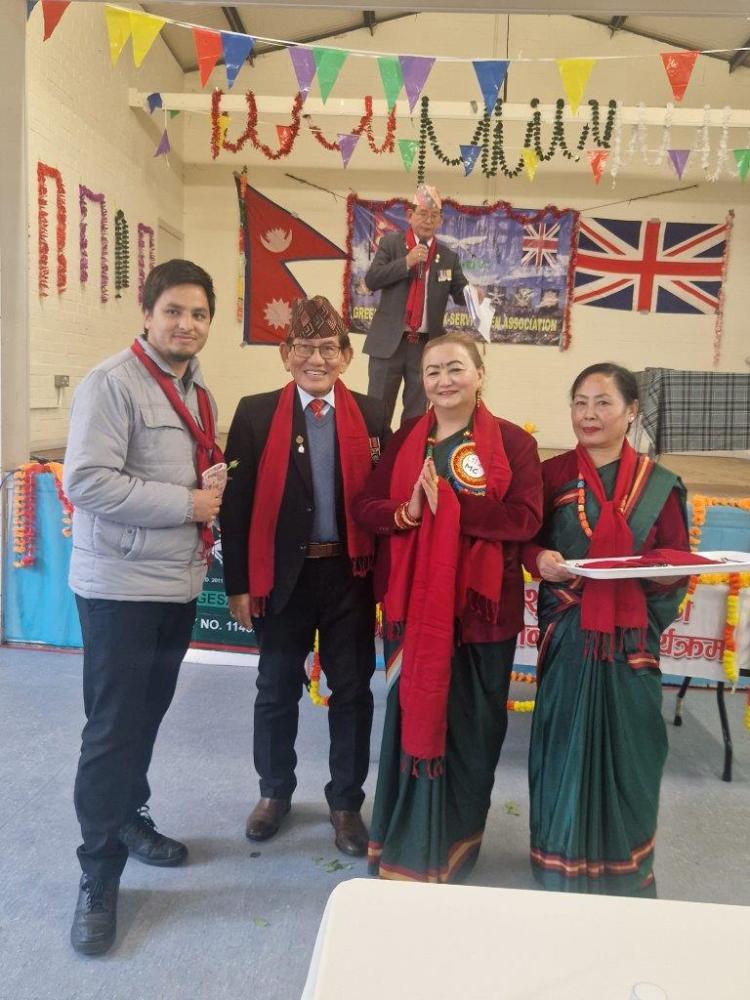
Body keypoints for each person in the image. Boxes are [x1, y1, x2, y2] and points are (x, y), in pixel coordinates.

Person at [63, 259, 224, 955]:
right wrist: (189, 503)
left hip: (174, 585)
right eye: (174, 311)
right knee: (111, 730)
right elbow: (86, 481)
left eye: (199, 314)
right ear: (147, 313)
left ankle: (128, 817)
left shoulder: (199, 390)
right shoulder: (112, 383)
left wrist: (206, 491)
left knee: (145, 718)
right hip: (119, 588)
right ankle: (98, 873)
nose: (186, 324)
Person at [352, 331, 543, 883]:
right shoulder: (406, 439)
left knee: (473, 733)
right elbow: (366, 505)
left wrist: (455, 507)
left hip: (483, 616)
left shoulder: (514, 444)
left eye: (455, 368)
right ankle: (404, 842)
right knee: (411, 720)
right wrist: (409, 511)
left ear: (480, 374)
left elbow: (525, 519)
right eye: (432, 371)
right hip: (414, 610)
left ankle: (456, 847)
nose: (443, 380)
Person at [220, 295, 390, 858]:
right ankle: (274, 792)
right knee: (275, 689)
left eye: (328, 349)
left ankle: (345, 803)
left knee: (353, 692)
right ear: (285, 354)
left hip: (348, 574)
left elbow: (383, 500)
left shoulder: (371, 414)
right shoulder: (255, 413)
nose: (316, 359)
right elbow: (236, 508)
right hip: (280, 578)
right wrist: (239, 584)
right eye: (305, 348)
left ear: (346, 357)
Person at [522, 363, 690, 897]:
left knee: (632, 753)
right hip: (569, 634)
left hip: (630, 642)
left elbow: (679, 562)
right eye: (580, 403)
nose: (588, 414)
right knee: (561, 745)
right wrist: (538, 559)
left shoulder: (660, 485)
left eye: (602, 403)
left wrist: (644, 588)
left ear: (631, 411)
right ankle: (558, 861)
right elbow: (526, 540)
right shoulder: (551, 474)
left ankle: (624, 866)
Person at [363, 184, 469, 427]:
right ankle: (375, 451)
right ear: (410, 215)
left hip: (425, 347)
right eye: (422, 214)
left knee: (416, 413)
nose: (428, 220)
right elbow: (372, 280)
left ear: (440, 221)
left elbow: (460, 292)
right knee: (377, 410)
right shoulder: (391, 244)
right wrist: (406, 262)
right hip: (389, 343)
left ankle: (408, 451)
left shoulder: (448, 257)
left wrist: (475, 295)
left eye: (434, 216)